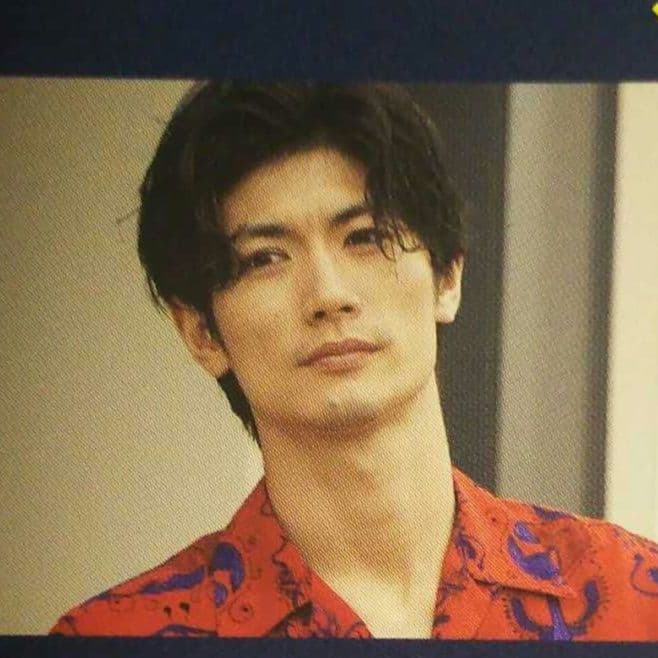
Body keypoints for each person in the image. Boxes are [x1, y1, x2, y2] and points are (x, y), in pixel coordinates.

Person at [51, 82, 658, 640]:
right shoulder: (114, 636)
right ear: (200, 332)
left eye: (365, 237)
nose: (328, 294)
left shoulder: (636, 598)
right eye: (264, 258)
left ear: (447, 275)